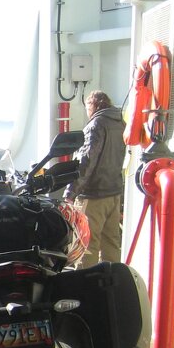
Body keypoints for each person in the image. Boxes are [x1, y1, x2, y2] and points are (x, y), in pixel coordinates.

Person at [64, 90, 126, 267]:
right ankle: (110, 286)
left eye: (87, 108)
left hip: (93, 196)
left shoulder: (96, 125)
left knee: (87, 244)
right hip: (113, 194)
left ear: (93, 106)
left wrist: (70, 192)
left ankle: (85, 289)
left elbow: (86, 162)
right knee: (111, 243)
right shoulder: (121, 123)